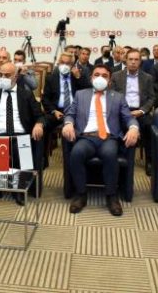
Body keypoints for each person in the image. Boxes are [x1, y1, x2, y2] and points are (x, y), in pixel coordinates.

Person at [62, 64, 139, 216]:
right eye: (96, 75)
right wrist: (68, 123)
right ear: (91, 78)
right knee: (76, 153)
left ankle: (111, 196)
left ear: (109, 81)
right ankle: (81, 194)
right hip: (87, 137)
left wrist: (133, 128)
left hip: (109, 138)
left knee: (110, 154)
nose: (100, 78)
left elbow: (128, 117)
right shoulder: (80, 95)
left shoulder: (118, 97)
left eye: (104, 76)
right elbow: (70, 113)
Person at [0, 62, 45, 205]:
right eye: (1, 75)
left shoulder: (26, 95)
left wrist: (39, 124)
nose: (3, 78)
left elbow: (40, 115)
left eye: (7, 75)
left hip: (20, 135)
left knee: (23, 149)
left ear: (16, 76)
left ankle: (20, 190)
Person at [110, 49, 157, 175]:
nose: (133, 62)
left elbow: (152, 98)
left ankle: (149, 161)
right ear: (125, 60)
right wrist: (123, 111)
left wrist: (142, 111)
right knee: (113, 125)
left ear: (140, 62)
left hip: (140, 111)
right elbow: (111, 95)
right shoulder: (116, 76)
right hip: (121, 112)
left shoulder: (147, 77)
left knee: (150, 127)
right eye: (130, 59)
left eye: (136, 60)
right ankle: (117, 157)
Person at [42, 52, 90, 164]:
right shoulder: (51, 78)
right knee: (41, 126)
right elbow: (45, 99)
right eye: (62, 62)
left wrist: (78, 77)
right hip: (57, 112)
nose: (64, 65)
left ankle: (71, 162)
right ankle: (42, 161)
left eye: (68, 63)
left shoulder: (78, 76)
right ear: (58, 63)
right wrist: (53, 111)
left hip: (75, 112)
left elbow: (88, 92)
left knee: (70, 129)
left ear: (72, 65)